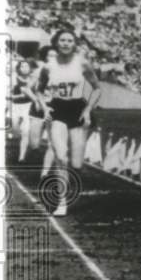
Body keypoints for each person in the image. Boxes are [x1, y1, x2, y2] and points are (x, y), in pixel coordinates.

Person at [35, 28, 102, 217]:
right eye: (62, 40)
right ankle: (62, 202)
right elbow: (39, 90)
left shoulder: (82, 63)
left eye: (69, 41)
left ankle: (70, 181)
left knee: (77, 164)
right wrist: (45, 107)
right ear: (57, 43)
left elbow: (97, 88)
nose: (65, 43)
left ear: (74, 44)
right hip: (57, 110)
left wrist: (88, 110)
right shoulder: (48, 66)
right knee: (61, 157)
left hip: (77, 110)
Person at [9, 59, 35, 162]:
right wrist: (20, 95)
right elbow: (8, 95)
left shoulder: (33, 80)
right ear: (19, 68)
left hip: (28, 106)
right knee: (15, 129)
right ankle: (15, 136)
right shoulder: (14, 79)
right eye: (22, 66)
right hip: (16, 106)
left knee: (26, 131)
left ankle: (22, 156)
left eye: (27, 66)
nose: (25, 68)